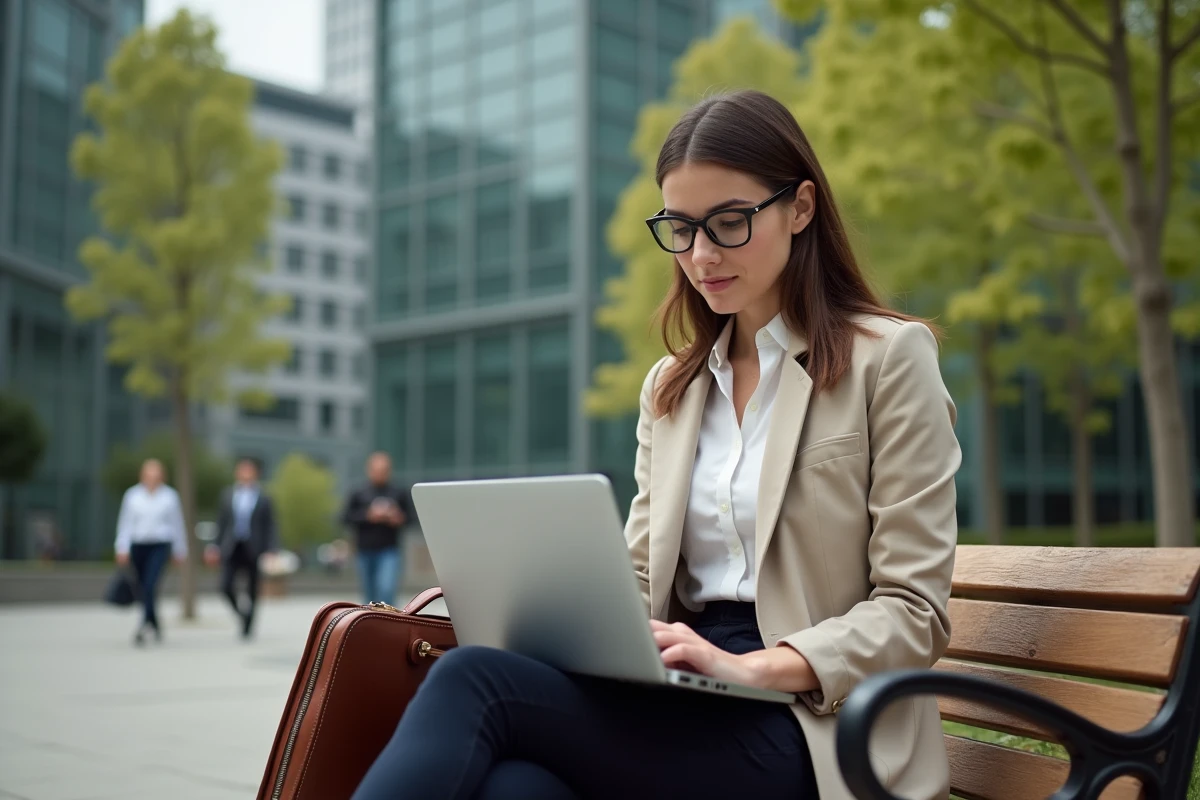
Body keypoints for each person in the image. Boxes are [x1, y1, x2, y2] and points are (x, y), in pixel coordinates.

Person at [353, 90, 961, 800]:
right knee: (517, 788)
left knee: (473, 682)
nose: (701, 255)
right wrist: (533, 610)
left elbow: (914, 610)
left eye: (729, 223)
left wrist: (754, 668)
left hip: (816, 720)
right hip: (686, 690)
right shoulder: (672, 388)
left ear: (800, 209)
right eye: (681, 227)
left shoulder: (886, 359)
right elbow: (640, 580)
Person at [114, 459, 187, 646]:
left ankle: (143, 625)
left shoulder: (170, 497)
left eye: (156, 475)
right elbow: (125, 523)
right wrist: (121, 547)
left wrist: (180, 549)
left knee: (150, 585)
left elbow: (177, 525)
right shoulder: (132, 495)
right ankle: (154, 622)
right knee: (141, 587)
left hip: (159, 545)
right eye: (149, 474)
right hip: (138, 545)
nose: (152, 479)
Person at [208, 457, 277, 639]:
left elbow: (270, 525)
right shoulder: (228, 495)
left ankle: (249, 623)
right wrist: (214, 546)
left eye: (249, 470)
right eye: (242, 470)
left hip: (253, 547)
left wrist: (271, 549)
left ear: (255, 474)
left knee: (252, 587)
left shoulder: (264, 497)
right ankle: (241, 614)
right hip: (232, 545)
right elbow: (221, 523)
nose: (246, 474)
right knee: (225, 586)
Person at [341, 452, 412, 605]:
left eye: (384, 470)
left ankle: (392, 623)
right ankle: (373, 625)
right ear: (369, 470)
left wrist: (397, 517)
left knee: (387, 588)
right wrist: (368, 516)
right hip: (364, 550)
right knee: (370, 595)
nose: (380, 474)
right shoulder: (358, 493)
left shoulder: (398, 493)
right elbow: (345, 518)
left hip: (389, 550)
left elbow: (411, 519)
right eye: (377, 470)